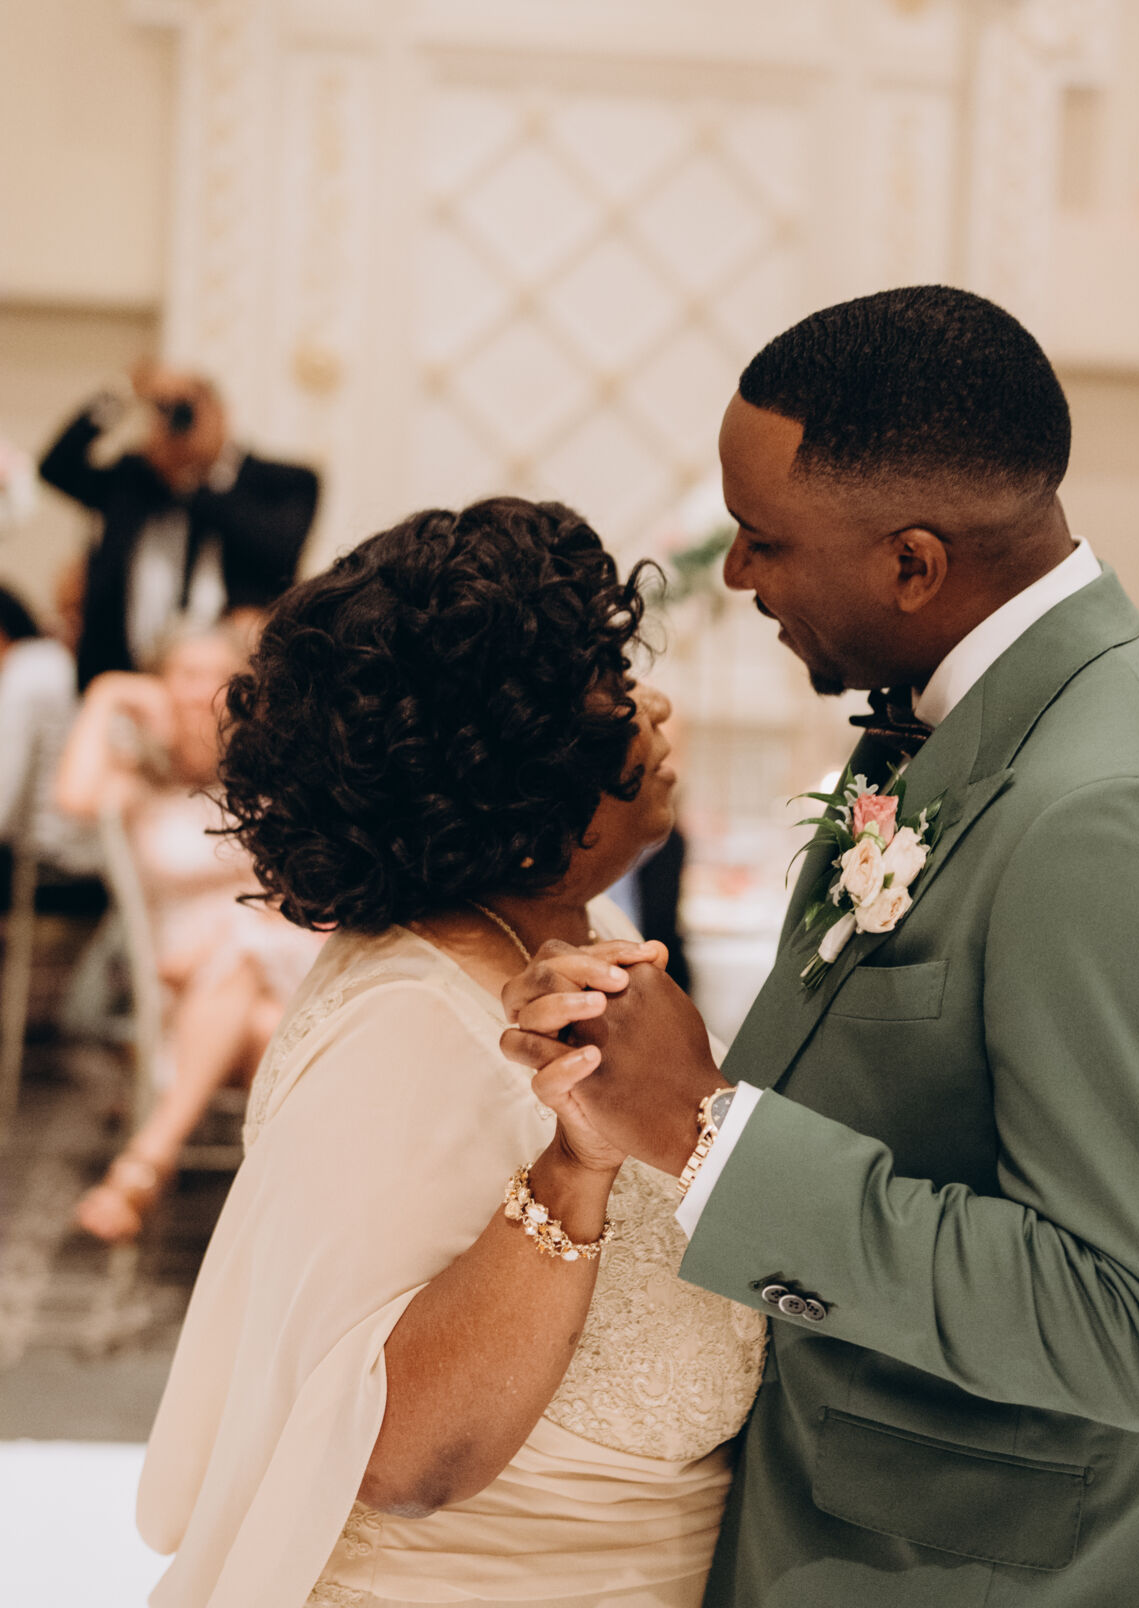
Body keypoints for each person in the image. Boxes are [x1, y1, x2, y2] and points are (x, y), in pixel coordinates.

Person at [503, 287, 1139, 1608]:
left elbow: (1129, 1326)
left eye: (763, 541)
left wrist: (704, 1130)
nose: (736, 577)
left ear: (913, 565)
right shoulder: (965, 721)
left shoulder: (1120, 812)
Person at [137, 499, 765, 1608]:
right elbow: (400, 1456)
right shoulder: (413, 1022)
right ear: (520, 775)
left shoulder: (557, 941)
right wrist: (573, 1171)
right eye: (613, 691)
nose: (654, 709)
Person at [57, 626, 321, 1242]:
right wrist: (106, 693)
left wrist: (228, 935)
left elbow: (298, 897)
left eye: (215, 675)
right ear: (159, 683)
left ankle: (146, 1162)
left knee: (245, 954)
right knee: (262, 1027)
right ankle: (295, 1221)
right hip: (184, 987)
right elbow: (72, 797)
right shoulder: (138, 781)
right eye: (185, 673)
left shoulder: (269, 782)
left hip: (278, 961)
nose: (200, 690)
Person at [39, 361, 320, 688]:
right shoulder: (134, 480)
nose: (176, 422)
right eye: (164, 411)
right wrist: (124, 392)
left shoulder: (286, 481)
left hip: (229, 682)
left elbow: (279, 548)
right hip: (121, 672)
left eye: (186, 410)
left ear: (220, 414)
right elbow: (56, 468)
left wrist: (193, 479)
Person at [0, 584, 101, 900]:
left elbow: (3, 795)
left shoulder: (28, 673)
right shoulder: (51, 662)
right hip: (80, 844)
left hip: (57, 856)